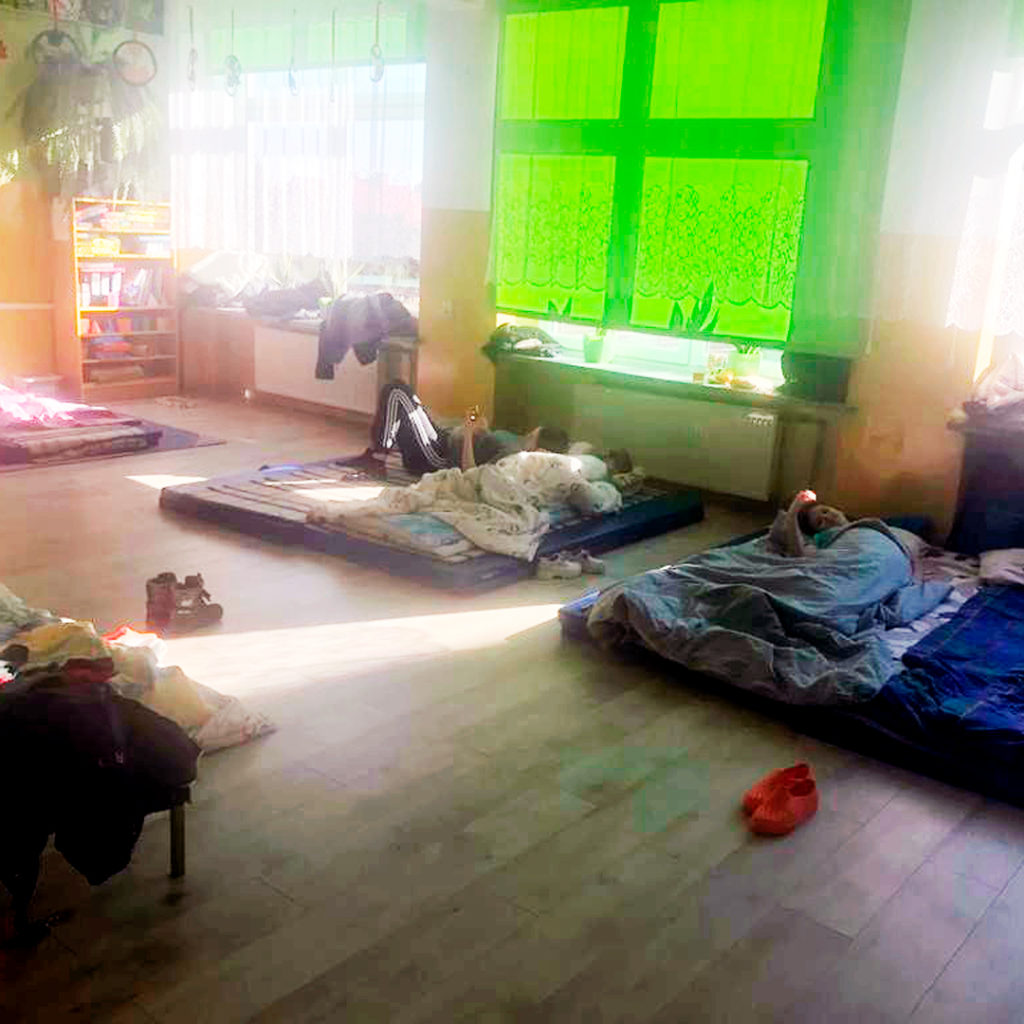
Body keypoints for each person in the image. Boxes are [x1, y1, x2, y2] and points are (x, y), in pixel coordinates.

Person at [369, 379, 569, 475]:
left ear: (538, 449)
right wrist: (482, 429)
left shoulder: (513, 457)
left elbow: (471, 474)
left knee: (397, 392)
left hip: (439, 459)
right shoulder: (513, 444)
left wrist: (468, 433)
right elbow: (486, 447)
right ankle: (376, 454)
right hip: (444, 439)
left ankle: (377, 457)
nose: (527, 435)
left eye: (532, 436)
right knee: (404, 395)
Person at [772, 489, 850, 556]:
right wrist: (792, 514)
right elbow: (800, 553)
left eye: (825, 511)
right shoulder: (823, 538)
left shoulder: (855, 525)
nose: (827, 517)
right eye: (820, 522)